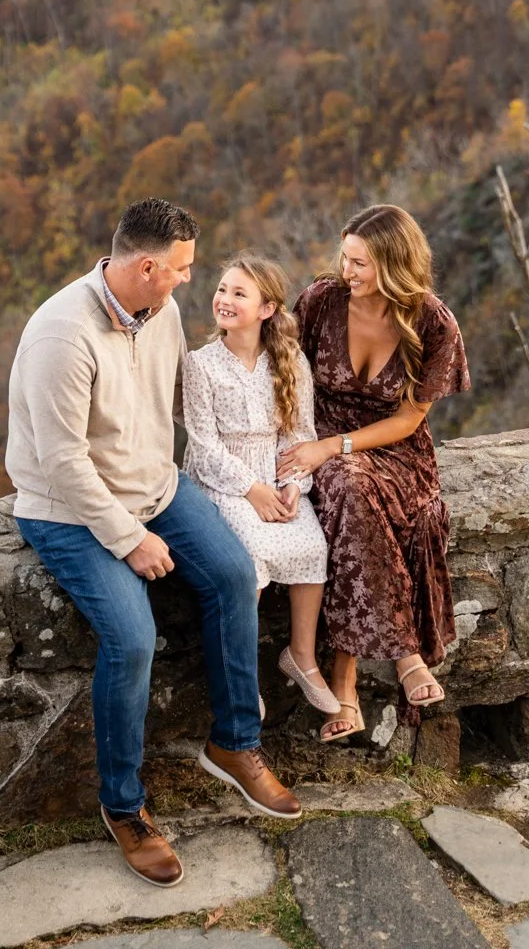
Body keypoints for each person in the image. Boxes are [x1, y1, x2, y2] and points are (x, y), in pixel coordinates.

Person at [6, 196, 301, 889]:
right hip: (69, 513)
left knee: (232, 575)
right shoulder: (62, 334)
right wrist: (128, 537)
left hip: (156, 489)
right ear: (146, 266)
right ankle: (124, 807)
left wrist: (260, 462)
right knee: (132, 638)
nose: (189, 282)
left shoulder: (159, 311)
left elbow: (182, 405)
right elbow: (60, 461)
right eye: (182, 269)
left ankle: (235, 745)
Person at [278, 203, 470, 742]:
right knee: (347, 488)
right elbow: (281, 369)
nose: (348, 272)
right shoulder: (321, 302)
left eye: (361, 263)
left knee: (350, 484)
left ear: (394, 264)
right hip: (320, 441)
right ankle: (403, 656)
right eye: (345, 259)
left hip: (395, 451)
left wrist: (331, 448)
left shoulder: (433, 323)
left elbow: (409, 419)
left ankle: (345, 676)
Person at [182, 253, 338, 717]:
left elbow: (299, 434)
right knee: (248, 557)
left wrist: (292, 483)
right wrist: (251, 488)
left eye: (238, 293)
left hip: (275, 476)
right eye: (221, 289)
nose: (224, 300)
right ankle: (243, 676)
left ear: (267, 308)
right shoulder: (200, 365)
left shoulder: (290, 363)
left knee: (313, 547)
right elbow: (205, 446)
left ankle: (302, 657)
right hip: (222, 481)